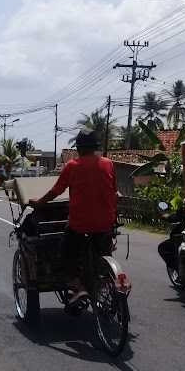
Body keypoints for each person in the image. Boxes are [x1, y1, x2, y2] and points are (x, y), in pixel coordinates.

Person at [32, 128, 118, 303]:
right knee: (104, 248)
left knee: (65, 253)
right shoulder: (108, 163)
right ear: (95, 147)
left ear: (78, 148)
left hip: (80, 225)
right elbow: (115, 190)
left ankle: (77, 286)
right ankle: (103, 278)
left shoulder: (72, 166)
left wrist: (40, 202)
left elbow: (56, 191)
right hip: (106, 223)